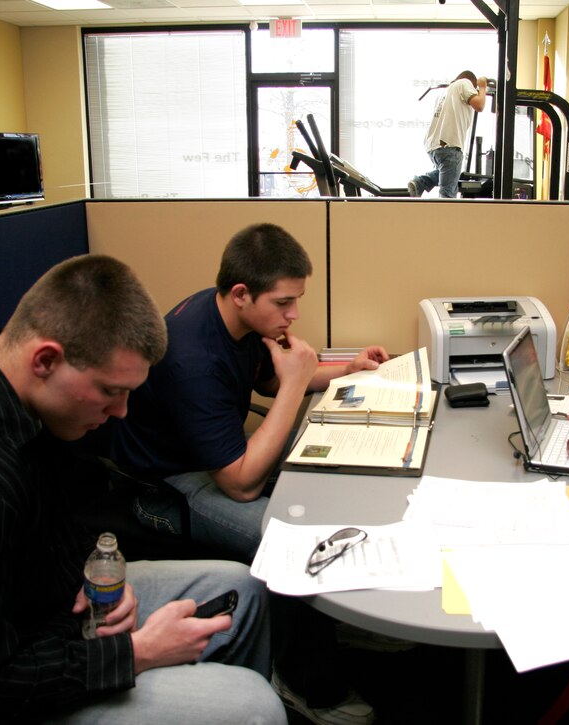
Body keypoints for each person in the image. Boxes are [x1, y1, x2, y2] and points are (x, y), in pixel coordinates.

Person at [0, 255, 285, 724]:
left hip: (45, 617)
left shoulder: (14, 392)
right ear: (46, 360)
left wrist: (96, 576)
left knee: (242, 589)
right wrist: (137, 655)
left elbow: (50, 526)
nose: (122, 412)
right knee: (253, 706)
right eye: (110, 391)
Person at [106, 223, 388, 725]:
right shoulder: (191, 357)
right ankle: (304, 683)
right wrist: (294, 384)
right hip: (168, 486)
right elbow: (240, 484)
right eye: (284, 303)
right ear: (242, 294)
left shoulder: (236, 322)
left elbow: (273, 377)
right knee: (290, 543)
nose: (294, 315)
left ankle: (334, 619)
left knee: (328, 496)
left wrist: (347, 369)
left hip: (217, 458)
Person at [407, 70, 488, 199]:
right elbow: (479, 105)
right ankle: (421, 184)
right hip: (450, 145)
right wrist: (482, 87)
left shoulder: (445, 92)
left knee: (447, 171)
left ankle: (420, 182)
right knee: (447, 195)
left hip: (434, 146)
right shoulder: (464, 83)